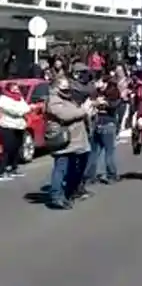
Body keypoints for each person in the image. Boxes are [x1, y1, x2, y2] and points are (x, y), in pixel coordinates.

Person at [45, 77, 92, 209]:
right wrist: (83, 110)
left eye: (67, 86)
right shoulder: (53, 100)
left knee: (76, 167)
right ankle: (56, 197)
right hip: (63, 141)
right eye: (63, 87)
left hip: (76, 141)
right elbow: (65, 115)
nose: (67, 89)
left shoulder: (68, 98)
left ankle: (69, 192)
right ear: (56, 87)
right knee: (60, 168)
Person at [0, 82, 30, 179]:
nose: (17, 90)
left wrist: (22, 110)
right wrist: (21, 110)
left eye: (17, 88)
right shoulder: (3, 99)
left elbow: (26, 108)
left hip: (19, 126)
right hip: (8, 126)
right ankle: (3, 170)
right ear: (9, 89)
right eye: (14, 88)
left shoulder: (19, 98)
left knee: (17, 148)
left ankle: (13, 168)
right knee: (8, 148)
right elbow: (14, 111)